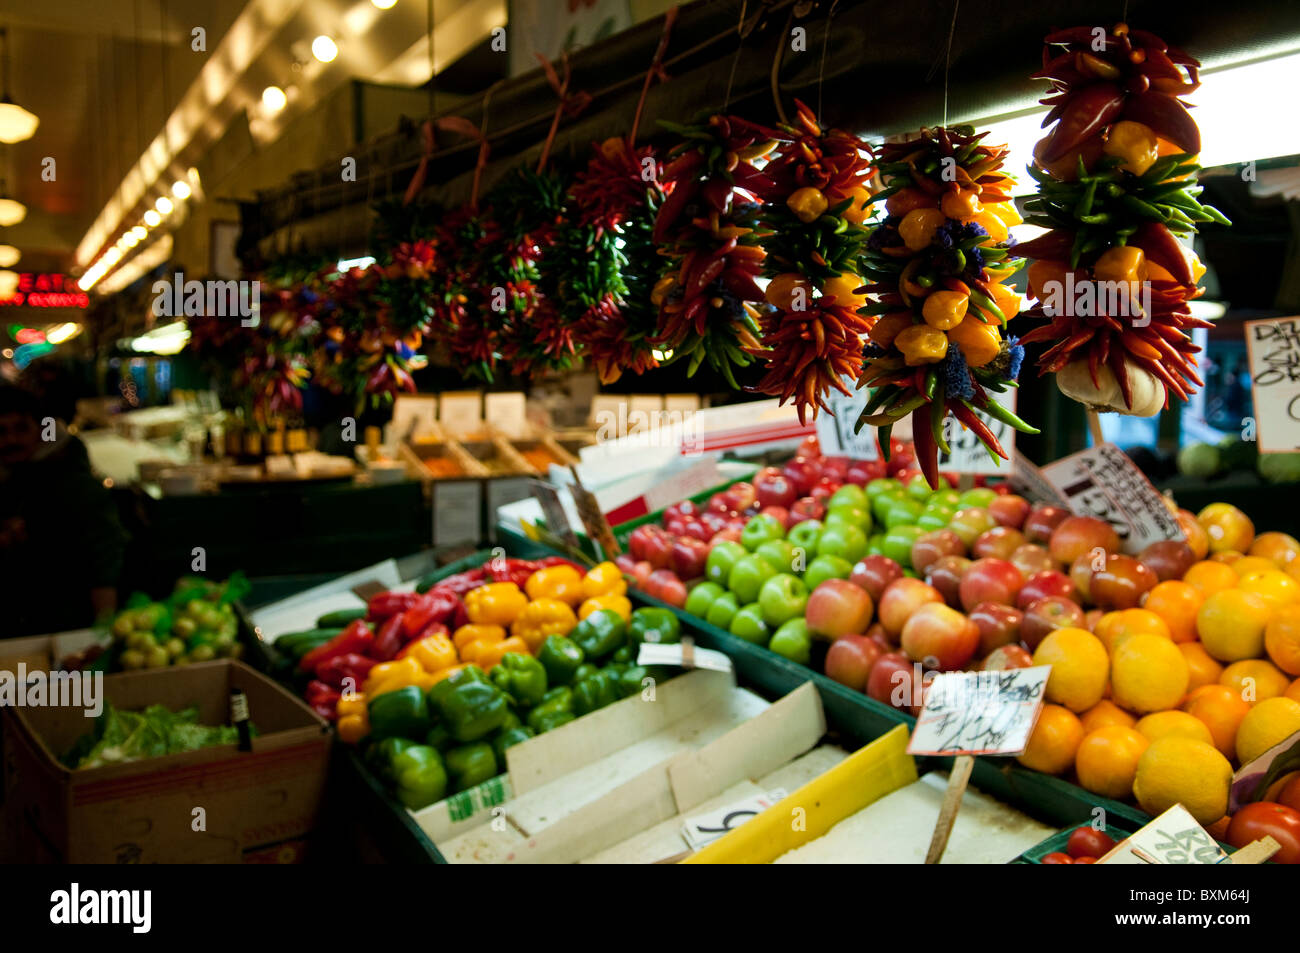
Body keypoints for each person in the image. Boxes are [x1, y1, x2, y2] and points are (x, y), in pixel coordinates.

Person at [0, 384, 127, 637]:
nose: (10, 440)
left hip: (67, 630)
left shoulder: (75, 486)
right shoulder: (13, 477)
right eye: (1, 431)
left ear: (42, 430)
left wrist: (102, 639)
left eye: (21, 428)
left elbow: (103, 565)